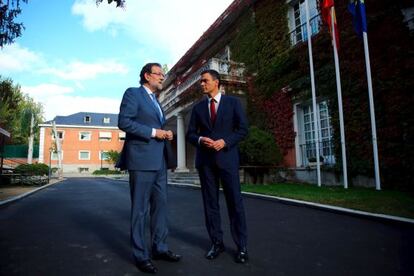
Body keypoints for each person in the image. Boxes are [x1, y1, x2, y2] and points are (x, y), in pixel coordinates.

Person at [117, 63, 181, 274]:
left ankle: (160, 248)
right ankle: (140, 255)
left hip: (159, 161)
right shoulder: (133, 94)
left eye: (163, 74)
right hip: (141, 160)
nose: (163, 77)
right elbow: (124, 122)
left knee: (161, 207)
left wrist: (166, 133)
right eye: (159, 74)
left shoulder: (156, 101)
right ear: (146, 75)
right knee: (140, 210)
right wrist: (155, 132)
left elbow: (157, 127)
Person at [186, 69, 249, 263]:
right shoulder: (197, 108)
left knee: (235, 204)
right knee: (210, 205)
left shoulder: (233, 103)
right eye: (201, 81)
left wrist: (225, 142)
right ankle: (216, 243)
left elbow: (243, 130)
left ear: (216, 82)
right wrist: (201, 138)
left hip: (228, 160)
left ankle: (241, 247)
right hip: (206, 163)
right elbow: (190, 134)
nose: (202, 84)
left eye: (205, 81)